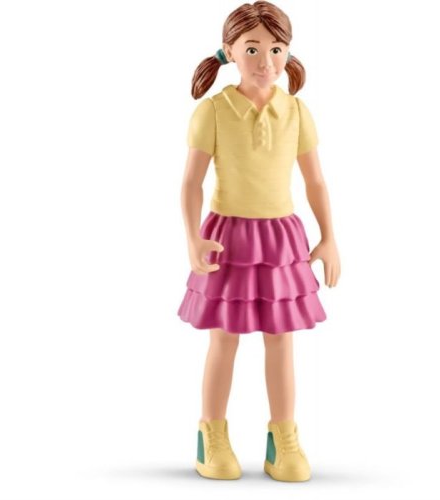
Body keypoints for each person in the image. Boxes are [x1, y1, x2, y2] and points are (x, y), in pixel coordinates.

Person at [177, 0, 341, 482]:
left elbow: (315, 181)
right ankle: (212, 433)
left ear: (287, 52)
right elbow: (191, 183)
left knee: (281, 338)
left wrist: (329, 236)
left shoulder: (297, 111)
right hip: (227, 236)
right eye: (251, 49)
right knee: (224, 336)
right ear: (229, 51)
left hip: (280, 238)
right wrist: (192, 238)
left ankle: (283, 436)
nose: (265, 61)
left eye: (275, 49)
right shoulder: (212, 111)